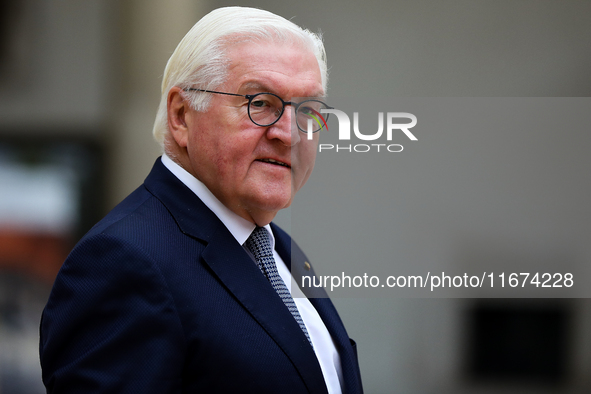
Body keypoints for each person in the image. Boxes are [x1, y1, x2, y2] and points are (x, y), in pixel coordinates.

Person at [40, 6, 363, 393]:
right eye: (260, 103)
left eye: (307, 110)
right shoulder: (124, 261)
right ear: (181, 115)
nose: (289, 134)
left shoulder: (275, 247)